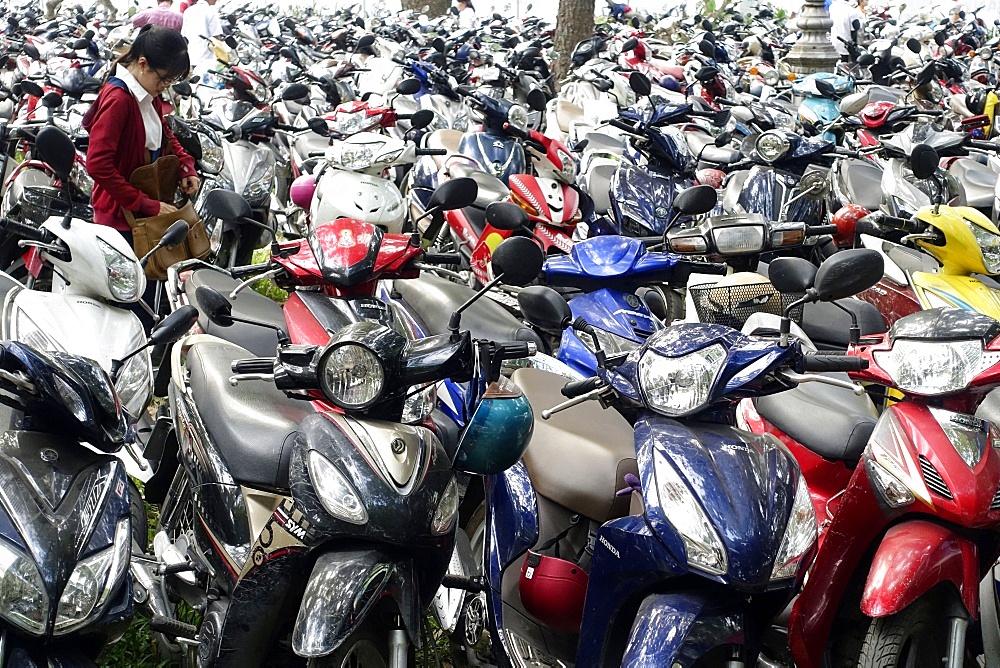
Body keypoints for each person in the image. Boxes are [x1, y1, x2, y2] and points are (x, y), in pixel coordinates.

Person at [82, 25, 199, 243]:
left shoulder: (146, 92)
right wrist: (147, 204)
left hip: (141, 211)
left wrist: (185, 165)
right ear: (144, 64)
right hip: (120, 218)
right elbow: (97, 165)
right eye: (164, 80)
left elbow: (163, 131)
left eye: (171, 82)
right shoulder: (119, 99)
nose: (165, 87)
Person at [182, 0, 222, 71]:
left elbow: (184, 35)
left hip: (191, 57)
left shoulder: (188, 11)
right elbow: (216, 37)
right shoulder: (211, 11)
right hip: (207, 58)